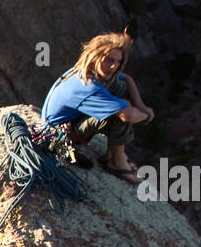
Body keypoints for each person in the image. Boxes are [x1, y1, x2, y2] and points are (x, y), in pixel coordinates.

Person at [40, 31, 155, 184]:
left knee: (119, 87)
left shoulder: (89, 71)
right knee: (120, 114)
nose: (114, 66)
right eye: (109, 61)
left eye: (118, 62)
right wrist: (145, 116)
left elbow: (126, 79)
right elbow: (128, 116)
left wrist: (141, 106)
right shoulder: (88, 87)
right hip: (59, 135)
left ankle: (111, 154)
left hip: (70, 121)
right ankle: (117, 163)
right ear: (95, 58)